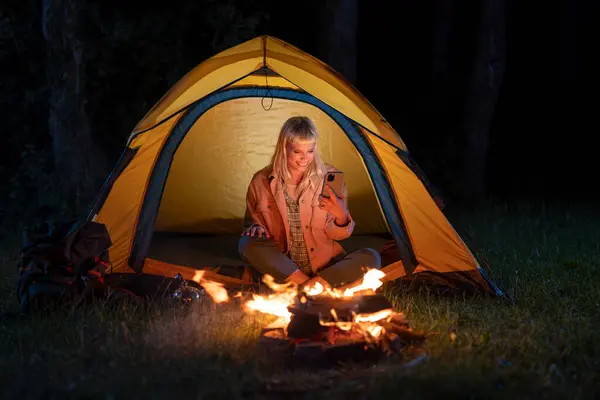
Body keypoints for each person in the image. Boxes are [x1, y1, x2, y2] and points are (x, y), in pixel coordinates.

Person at [238, 116, 381, 289]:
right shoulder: (260, 181)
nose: (304, 158)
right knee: (246, 243)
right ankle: (311, 287)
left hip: (325, 266)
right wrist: (255, 227)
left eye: (310, 151)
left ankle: (313, 284)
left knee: (372, 257)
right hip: (284, 268)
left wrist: (341, 217)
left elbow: (338, 235)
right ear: (284, 149)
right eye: (297, 152)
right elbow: (251, 224)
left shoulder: (331, 178)